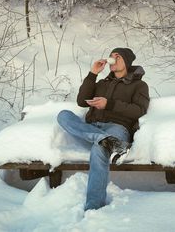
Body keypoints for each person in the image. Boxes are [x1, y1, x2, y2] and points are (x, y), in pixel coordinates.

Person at [57, 47, 150, 211]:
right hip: (92, 127)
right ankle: (105, 141)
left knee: (99, 150)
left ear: (127, 61)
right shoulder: (102, 83)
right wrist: (93, 73)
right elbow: (81, 101)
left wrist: (109, 104)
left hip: (117, 128)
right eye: (111, 56)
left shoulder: (139, 85)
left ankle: (93, 207)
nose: (112, 59)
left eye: (117, 56)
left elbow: (139, 110)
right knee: (63, 115)